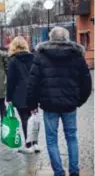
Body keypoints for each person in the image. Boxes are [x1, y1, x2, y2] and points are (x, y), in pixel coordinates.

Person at [27, 27, 92, 176]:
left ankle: (58, 172)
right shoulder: (76, 55)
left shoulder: (41, 55)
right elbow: (87, 82)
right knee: (72, 137)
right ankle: (74, 171)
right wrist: (78, 101)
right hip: (70, 105)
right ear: (67, 37)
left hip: (49, 105)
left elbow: (33, 82)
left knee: (51, 139)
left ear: (51, 38)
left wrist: (32, 103)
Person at [6, 36, 40, 153]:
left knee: (25, 119)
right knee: (34, 118)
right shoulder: (34, 58)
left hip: (20, 94)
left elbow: (11, 80)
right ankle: (35, 143)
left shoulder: (13, 60)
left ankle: (28, 144)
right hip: (33, 92)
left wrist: (9, 97)